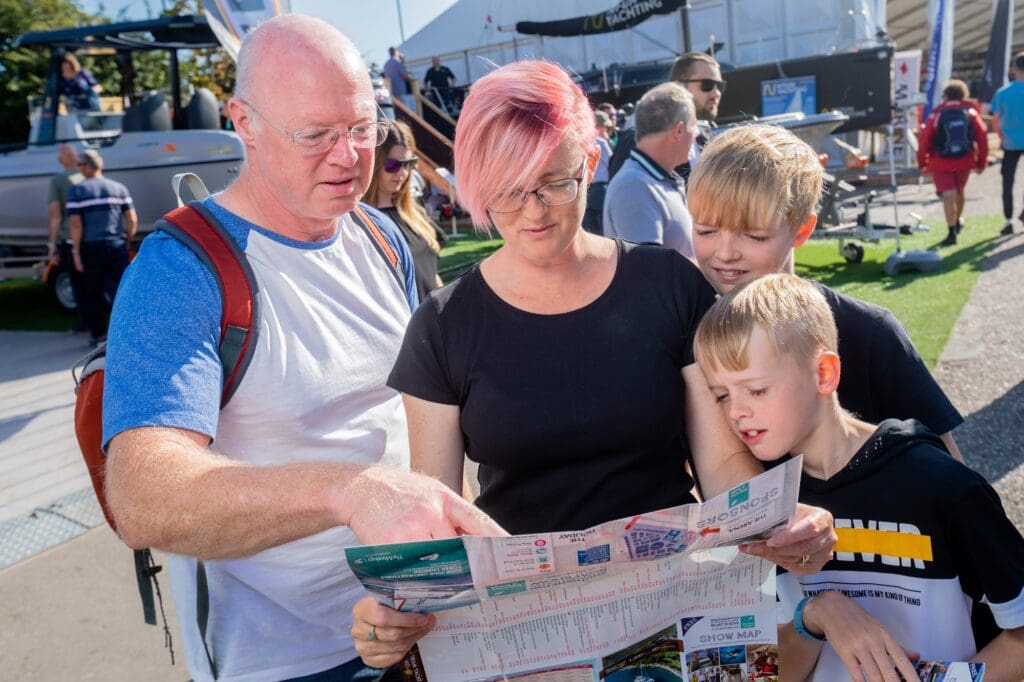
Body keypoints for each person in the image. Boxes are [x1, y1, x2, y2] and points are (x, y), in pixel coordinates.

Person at [352, 59, 837, 669]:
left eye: (556, 182)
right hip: (533, 633)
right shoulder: (443, 326)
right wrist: (391, 621)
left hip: (678, 606)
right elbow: (438, 518)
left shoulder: (665, 282)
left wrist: (778, 520)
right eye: (508, 189)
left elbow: (719, 468)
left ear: (589, 163)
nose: (535, 211)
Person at [101, 16, 504, 682]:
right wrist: (349, 493)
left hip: (421, 625)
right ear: (244, 122)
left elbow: (409, 413)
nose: (349, 157)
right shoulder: (183, 270)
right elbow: (143, 495)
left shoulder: (379, 236)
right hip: (288, 662)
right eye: (315, 135)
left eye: (361, 127)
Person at [693, 274, 1024, 682]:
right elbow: (778, 672)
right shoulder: (764, 507)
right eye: (722, 395)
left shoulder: (939, 484)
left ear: (824, 374)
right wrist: (811, 619)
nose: (736, 412)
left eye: (756, 390)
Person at [688, 124, 965, 460]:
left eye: (754, 236)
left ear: (802, 228)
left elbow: (949, 471)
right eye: (706, 230)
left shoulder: (870, 333)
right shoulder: (687, 331)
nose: (726, 252)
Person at [603, 82, 697, 258]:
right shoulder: (633, 187)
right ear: (678, 130)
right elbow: (649, 273)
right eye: (694, 125)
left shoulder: (650, 180)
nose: (696, 133)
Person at [365, 119, 447, 301]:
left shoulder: (415, 214)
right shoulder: (360, 223)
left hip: (436, 321)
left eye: (408, 163)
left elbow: (432, 274)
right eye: (392, 165)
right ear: (374, 164)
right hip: (405, 325)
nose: (402, 172)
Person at [608, 52, 724, 180]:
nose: (716, 93)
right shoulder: (637, 140)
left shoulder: (707, 138)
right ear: (679, 86)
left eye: (719, 86)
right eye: (707, 84)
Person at [66, 149, 136, 347]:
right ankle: (128, 329)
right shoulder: (118, 188)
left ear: (87, 167)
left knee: (93, 292)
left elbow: (76, 224)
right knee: (123, 289)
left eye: (80, 164)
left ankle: (99, 335)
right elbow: (131, 219)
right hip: (116, 244)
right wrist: (127, 239)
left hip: (91, 248)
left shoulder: (77, 191)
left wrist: (75, 252)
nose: (78, 168)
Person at [917, 79, 988, 246]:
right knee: (959, 192)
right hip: (964, 159)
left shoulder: (937, 113)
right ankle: (956, 222)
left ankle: (951, 231)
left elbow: (924, 139)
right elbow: (982, 136)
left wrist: (922, 162)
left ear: (946, 96)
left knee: (948, 195)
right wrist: (981, 162)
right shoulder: (970, 112)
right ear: (964, 94)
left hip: (941, 161)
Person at [47, 143, 85, 331]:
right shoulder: (87, 177)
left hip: (71, 239)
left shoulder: (58, 180)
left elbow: (56, 216)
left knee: (77, 283)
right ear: (76, 158)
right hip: (93, 238)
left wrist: (52, 244)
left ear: (60, 160)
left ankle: (86, 322)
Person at [992, 52, 1024, 236]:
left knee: (1007, 182)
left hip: (1010, 143)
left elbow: (995, 120)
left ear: (1014, 69)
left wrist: (1002, 137)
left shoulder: (1003, 92)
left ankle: (1008, 220)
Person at [582, 109, 614, 234]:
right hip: (601, 189)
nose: (606, 130)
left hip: (586, 190)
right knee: (605, 229)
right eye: (604, 127)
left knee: (591, 230)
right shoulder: (601, 143)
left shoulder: (581, 142)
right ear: (598, 127)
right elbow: (611, 163)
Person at [384, 46, 414, 110]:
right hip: (400, 90)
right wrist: (411, 80)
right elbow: (404, 75)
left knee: (396, 111)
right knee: (405, 109)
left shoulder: (386, 64)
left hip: (391, 91)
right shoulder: (397, 61)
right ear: (395, 52)